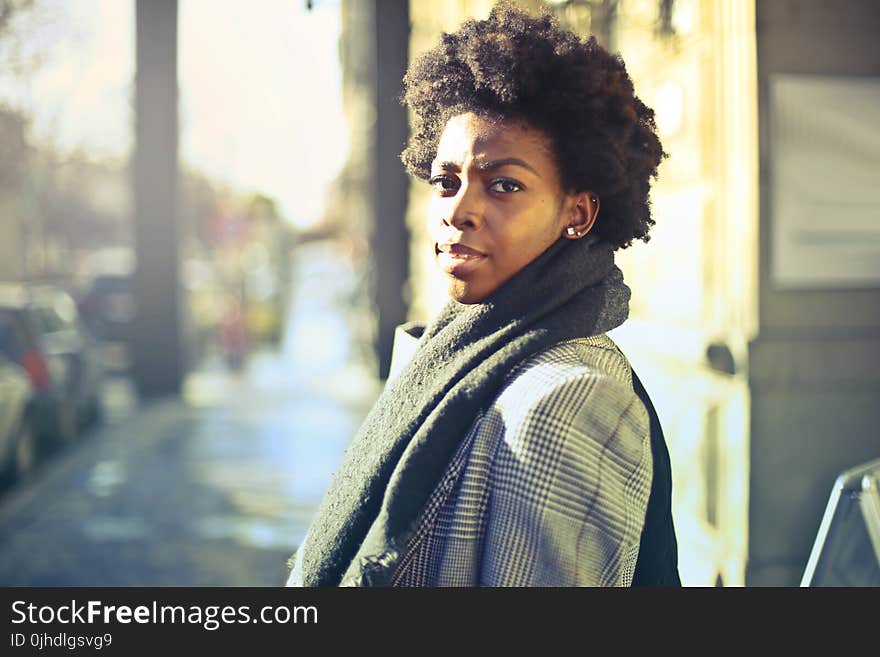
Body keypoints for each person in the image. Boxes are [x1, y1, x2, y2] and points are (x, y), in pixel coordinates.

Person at [287, 2, 680, 587]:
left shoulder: (565, 403)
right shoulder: (453, 353)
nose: (459, 211)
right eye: (446, 182)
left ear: (577, 212)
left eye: (503, 185)